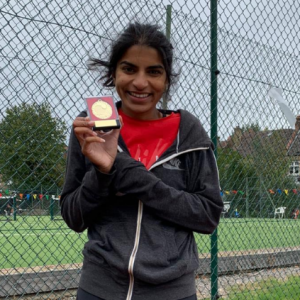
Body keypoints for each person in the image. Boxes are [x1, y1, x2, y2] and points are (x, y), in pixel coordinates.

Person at [61, 22, 223, 300]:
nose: (140, 82)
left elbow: (208, 216)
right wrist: (101, 173)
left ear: (167, 80)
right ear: (113, 73)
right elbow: (74, 217)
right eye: (129, 69)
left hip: (173, 291)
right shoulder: (91, 129)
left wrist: (125, 172)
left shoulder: (189, 132)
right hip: (100, 288)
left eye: (154, 72)